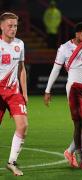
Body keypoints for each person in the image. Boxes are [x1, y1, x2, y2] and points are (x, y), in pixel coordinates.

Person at [44, 22, 82, 170]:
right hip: (74, 87)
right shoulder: (64, 48)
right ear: (76, 34)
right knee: (79, 123)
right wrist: (47, 90)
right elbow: (56, 69)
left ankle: (69, 151)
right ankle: (81, 159)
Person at [0, 12, 28, 176]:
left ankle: (11, 162)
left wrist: (24, 92)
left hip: (13, 92)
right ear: (1, 26)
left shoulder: (20, 44)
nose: (13, 28)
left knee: (23, 126)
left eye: (15, 25)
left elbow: (21, 68)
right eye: (10, 25)